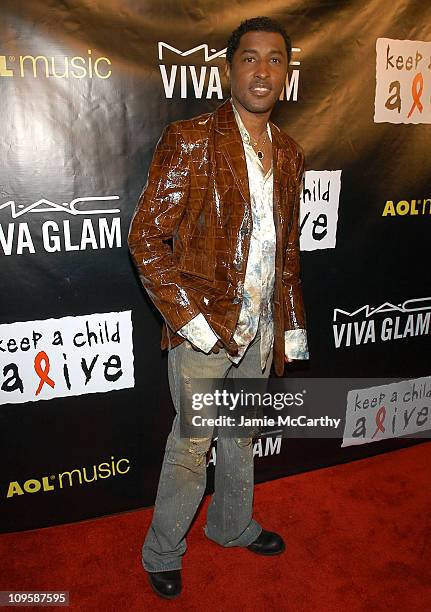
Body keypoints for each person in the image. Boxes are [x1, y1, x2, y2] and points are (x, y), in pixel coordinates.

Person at [128, 16, 309, 599]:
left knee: (240, 435)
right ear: (229, 69)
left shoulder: (289, 151)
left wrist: (291, 324)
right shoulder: (192, 139)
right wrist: (191, 321)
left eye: (275, 59)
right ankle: (162, 549)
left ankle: (231, 525)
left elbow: (285, 250)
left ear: (286, 73)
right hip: (204, 329)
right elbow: (146, 238)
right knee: (192, 443)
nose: (262, 70)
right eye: (250, 58)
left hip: (258, 326)